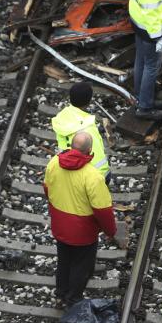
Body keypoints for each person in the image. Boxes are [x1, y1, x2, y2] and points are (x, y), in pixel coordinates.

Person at [43, 131, 119, 306]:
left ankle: (61, 292)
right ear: (90, 150)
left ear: (71, 146)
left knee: (64, 260)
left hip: (60, 223)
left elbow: (47, 189)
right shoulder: (92, 176)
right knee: (81, 265)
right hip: (83, 231)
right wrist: (110, 231)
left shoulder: (54, 162)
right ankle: (73, 297)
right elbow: (102, 210)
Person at [51, 82, 109, 180]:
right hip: (88, 177)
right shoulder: (88, 130)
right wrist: (104, 176)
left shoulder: (62, 118)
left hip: (68, 169)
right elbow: (99, 161)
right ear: (89, 101)